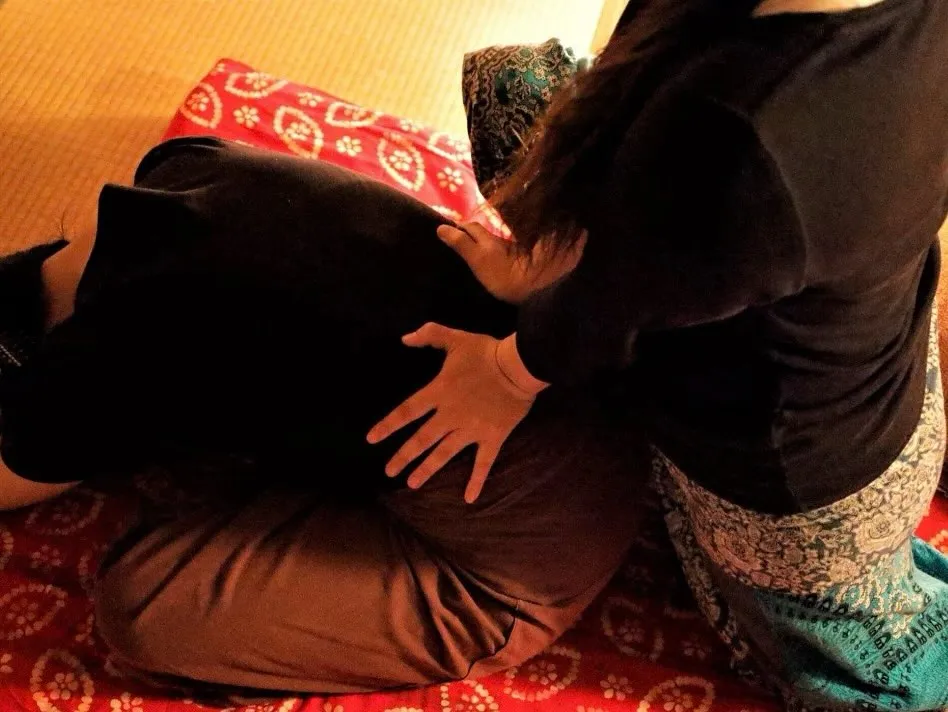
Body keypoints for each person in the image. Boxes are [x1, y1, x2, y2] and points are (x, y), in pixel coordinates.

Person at [0, 0, 945, 709]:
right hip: (644, 365)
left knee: (146, 609)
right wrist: (544, 279)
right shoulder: (193, 170)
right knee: (521, 90)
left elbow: (638, 272)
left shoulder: (754, 141)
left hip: (744, 479)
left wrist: (508, 369)